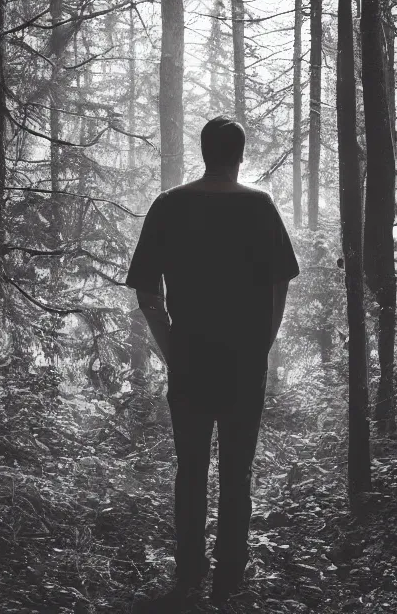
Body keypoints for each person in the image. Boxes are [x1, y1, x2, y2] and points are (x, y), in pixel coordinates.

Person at [125, 116, 299, 608]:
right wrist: (263, 340)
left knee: (191, 469)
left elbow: (146, 291)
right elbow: (279, 283)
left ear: (204, 152)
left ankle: (188, 577)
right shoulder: (259, 206)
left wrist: (169, 346)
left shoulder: (169, 205)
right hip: (245, 360)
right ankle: (229, 580)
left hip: (190, 360)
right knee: (237, 472)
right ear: (239, 155)